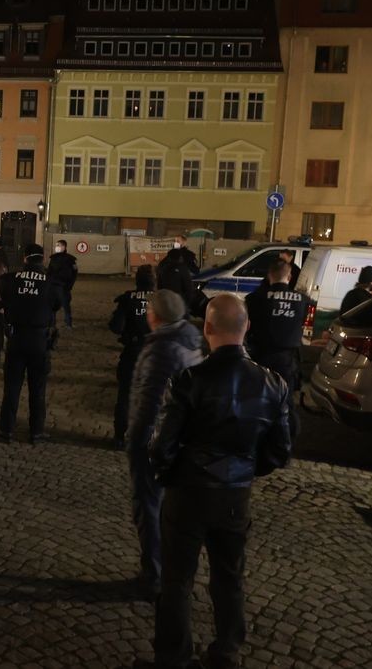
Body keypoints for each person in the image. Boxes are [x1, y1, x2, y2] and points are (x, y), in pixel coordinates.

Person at [143, 295, 293, 669]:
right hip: (234, 496)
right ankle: (226, 652)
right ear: (247, 328)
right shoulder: (273, 384)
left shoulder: (190, 379)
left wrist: (168, 472)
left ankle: (173, 657)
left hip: (187, 492)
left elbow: (162, 446)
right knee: (229, 577)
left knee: (177, 579)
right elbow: (280, 451)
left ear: (207, 328)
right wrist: (243, 470)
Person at [124, 289, 204, 599]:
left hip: (155, 441)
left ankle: (154, 576)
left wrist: (137, 441)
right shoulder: (189, 341)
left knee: (148, 507)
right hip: (178, 437)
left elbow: (152, 402)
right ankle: (168, 571)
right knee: (166, 510)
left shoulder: (163, 350)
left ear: (155, 315)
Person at [0, 243, 61, 443]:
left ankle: (6, 430)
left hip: (16, 338)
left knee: (12, 388)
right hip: (40, 340)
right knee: (38, 388)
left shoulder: (10, 279)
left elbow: (4, 299)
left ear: (24, 258)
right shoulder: (51, 282)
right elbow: (56, 304)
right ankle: (36, 431)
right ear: (43, 258)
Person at [245, 260, 309, 433]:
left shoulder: (254, 299)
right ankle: (284, 439)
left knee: (258, 399)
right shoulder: (303, 300)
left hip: (261, 358)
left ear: (269, 276)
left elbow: (247, 327)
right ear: (289, 276)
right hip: (288, 361)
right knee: (285, 403)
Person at [109, 265, 156, 448]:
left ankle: (120, 437)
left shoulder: (128, 299)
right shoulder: (163, 300)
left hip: (133, 353)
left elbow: (116, 326)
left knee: (125, 396)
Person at [47, 240, 79, 328]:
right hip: (53, 286)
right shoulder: (53, 258)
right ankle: (52, 324)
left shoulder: (71, 259)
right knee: (52, 306)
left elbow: (75, 273)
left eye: (59, 245)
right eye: (56, 245)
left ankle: (68, 323)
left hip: (64, 287)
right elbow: (49, 272)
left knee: (66, 305)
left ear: (64, 247)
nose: (57, 247)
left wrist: (70, 285)